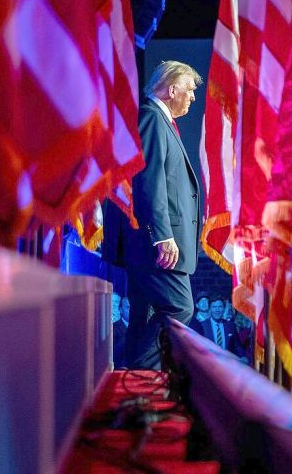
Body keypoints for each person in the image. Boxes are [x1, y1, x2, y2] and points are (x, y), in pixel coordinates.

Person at [121, 60, 203, 370]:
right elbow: (149, 180)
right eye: (190, 90)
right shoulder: (153, 119)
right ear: (172, 90)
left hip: (152, 244)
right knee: (180, 307)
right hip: (159, 243)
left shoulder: (161, 121)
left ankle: (137, 385)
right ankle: (141, 369)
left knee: (143, 315)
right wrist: (163, 236)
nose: (193, 97)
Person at [113, 296, 130, 368]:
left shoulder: (142, 328)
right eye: (128, 307)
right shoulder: (113, 329)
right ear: (120, 310)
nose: (132, 310)